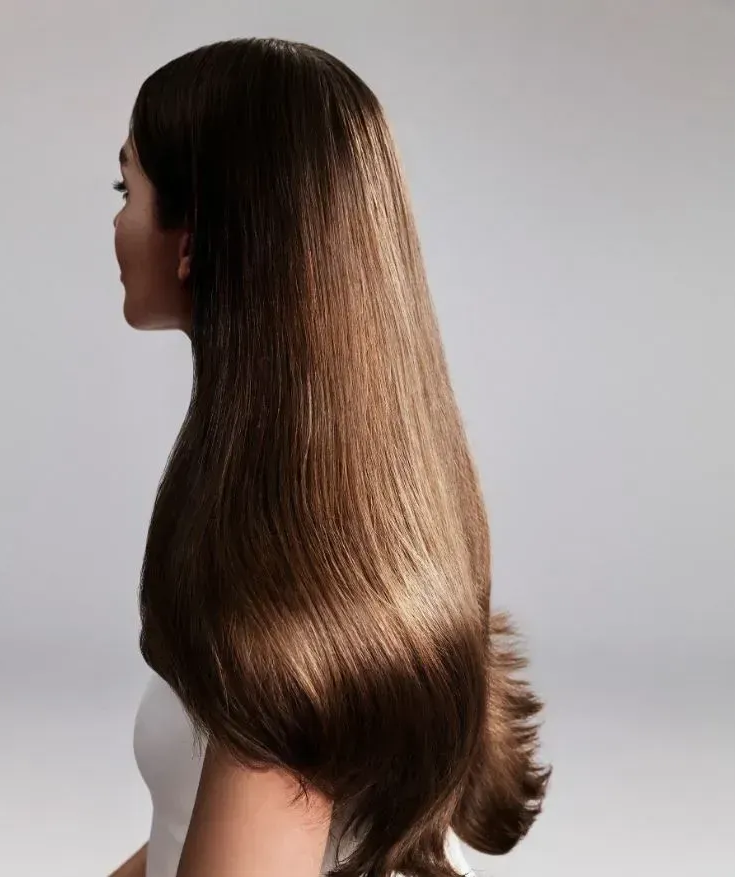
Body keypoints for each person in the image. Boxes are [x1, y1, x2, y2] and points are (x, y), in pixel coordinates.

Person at [107, 37, 550, 877]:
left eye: (127, 189)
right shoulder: (359, 515)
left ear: (191, 236)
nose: (118, 222)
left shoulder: (279, 591)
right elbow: (184, 825)